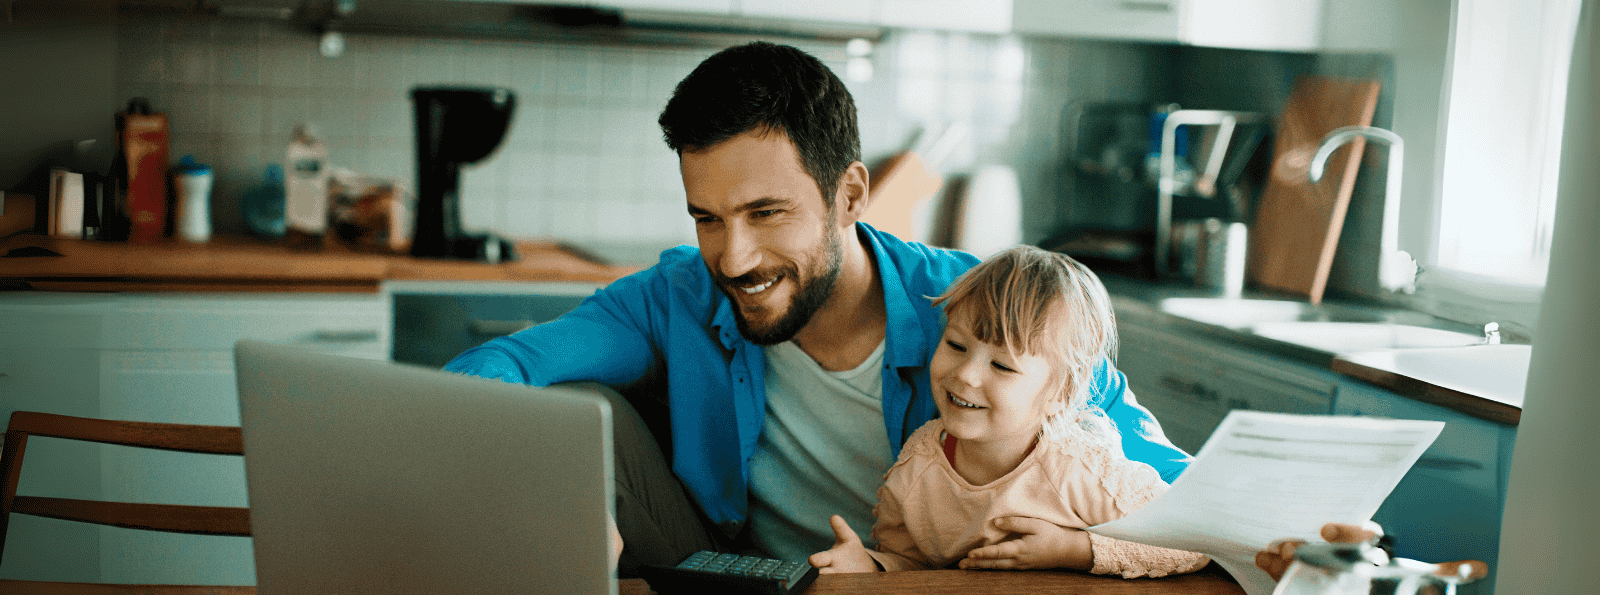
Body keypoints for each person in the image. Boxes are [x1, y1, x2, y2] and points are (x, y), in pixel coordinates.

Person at [443, 41, 1191, 572]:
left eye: (766, 212)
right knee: (573, 405)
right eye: (707, 217)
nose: (732, 259)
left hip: (918, 584)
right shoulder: (679, 291)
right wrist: (546, 493)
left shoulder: (988, 316)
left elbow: (1185, 502)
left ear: (852, 196)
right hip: (728, 573)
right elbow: (509, 363)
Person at [807, 247, 1210, 577]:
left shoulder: (1082, 470)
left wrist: (1072, 550)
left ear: (1060, 393)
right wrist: (872, 566)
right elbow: (912, 566)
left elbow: (1195, 543)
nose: (965, 376)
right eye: (956, 346)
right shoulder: (917, 469)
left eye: (1001, 366)